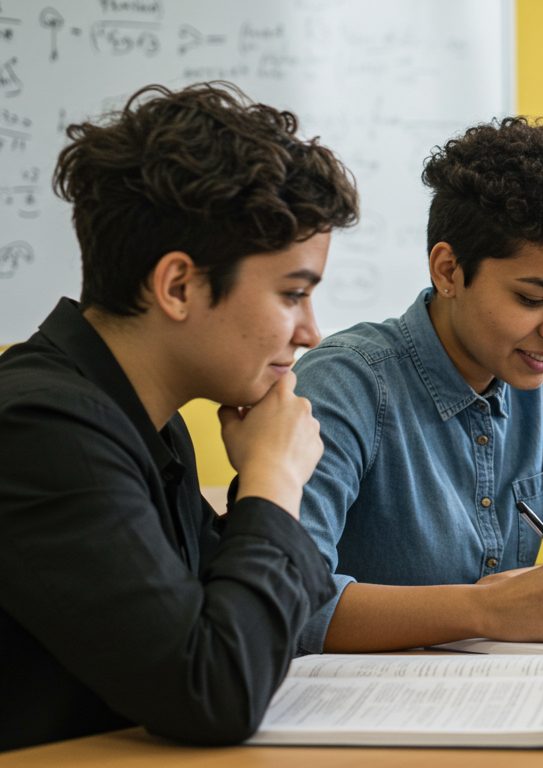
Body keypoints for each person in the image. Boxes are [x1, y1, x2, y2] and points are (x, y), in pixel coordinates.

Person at [0, 83, 358, 751]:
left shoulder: (144, 417)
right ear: (177, 286)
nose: (311, 331)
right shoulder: (44, 429)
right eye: (292, 294)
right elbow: (215, 691)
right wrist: (273, 477)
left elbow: (233, 621)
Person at [292, 117, 543, 654]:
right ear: (448, 271)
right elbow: (289, 605)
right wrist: (486, 608)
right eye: (531, 298)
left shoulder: (541, 380)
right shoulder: (344, 384)